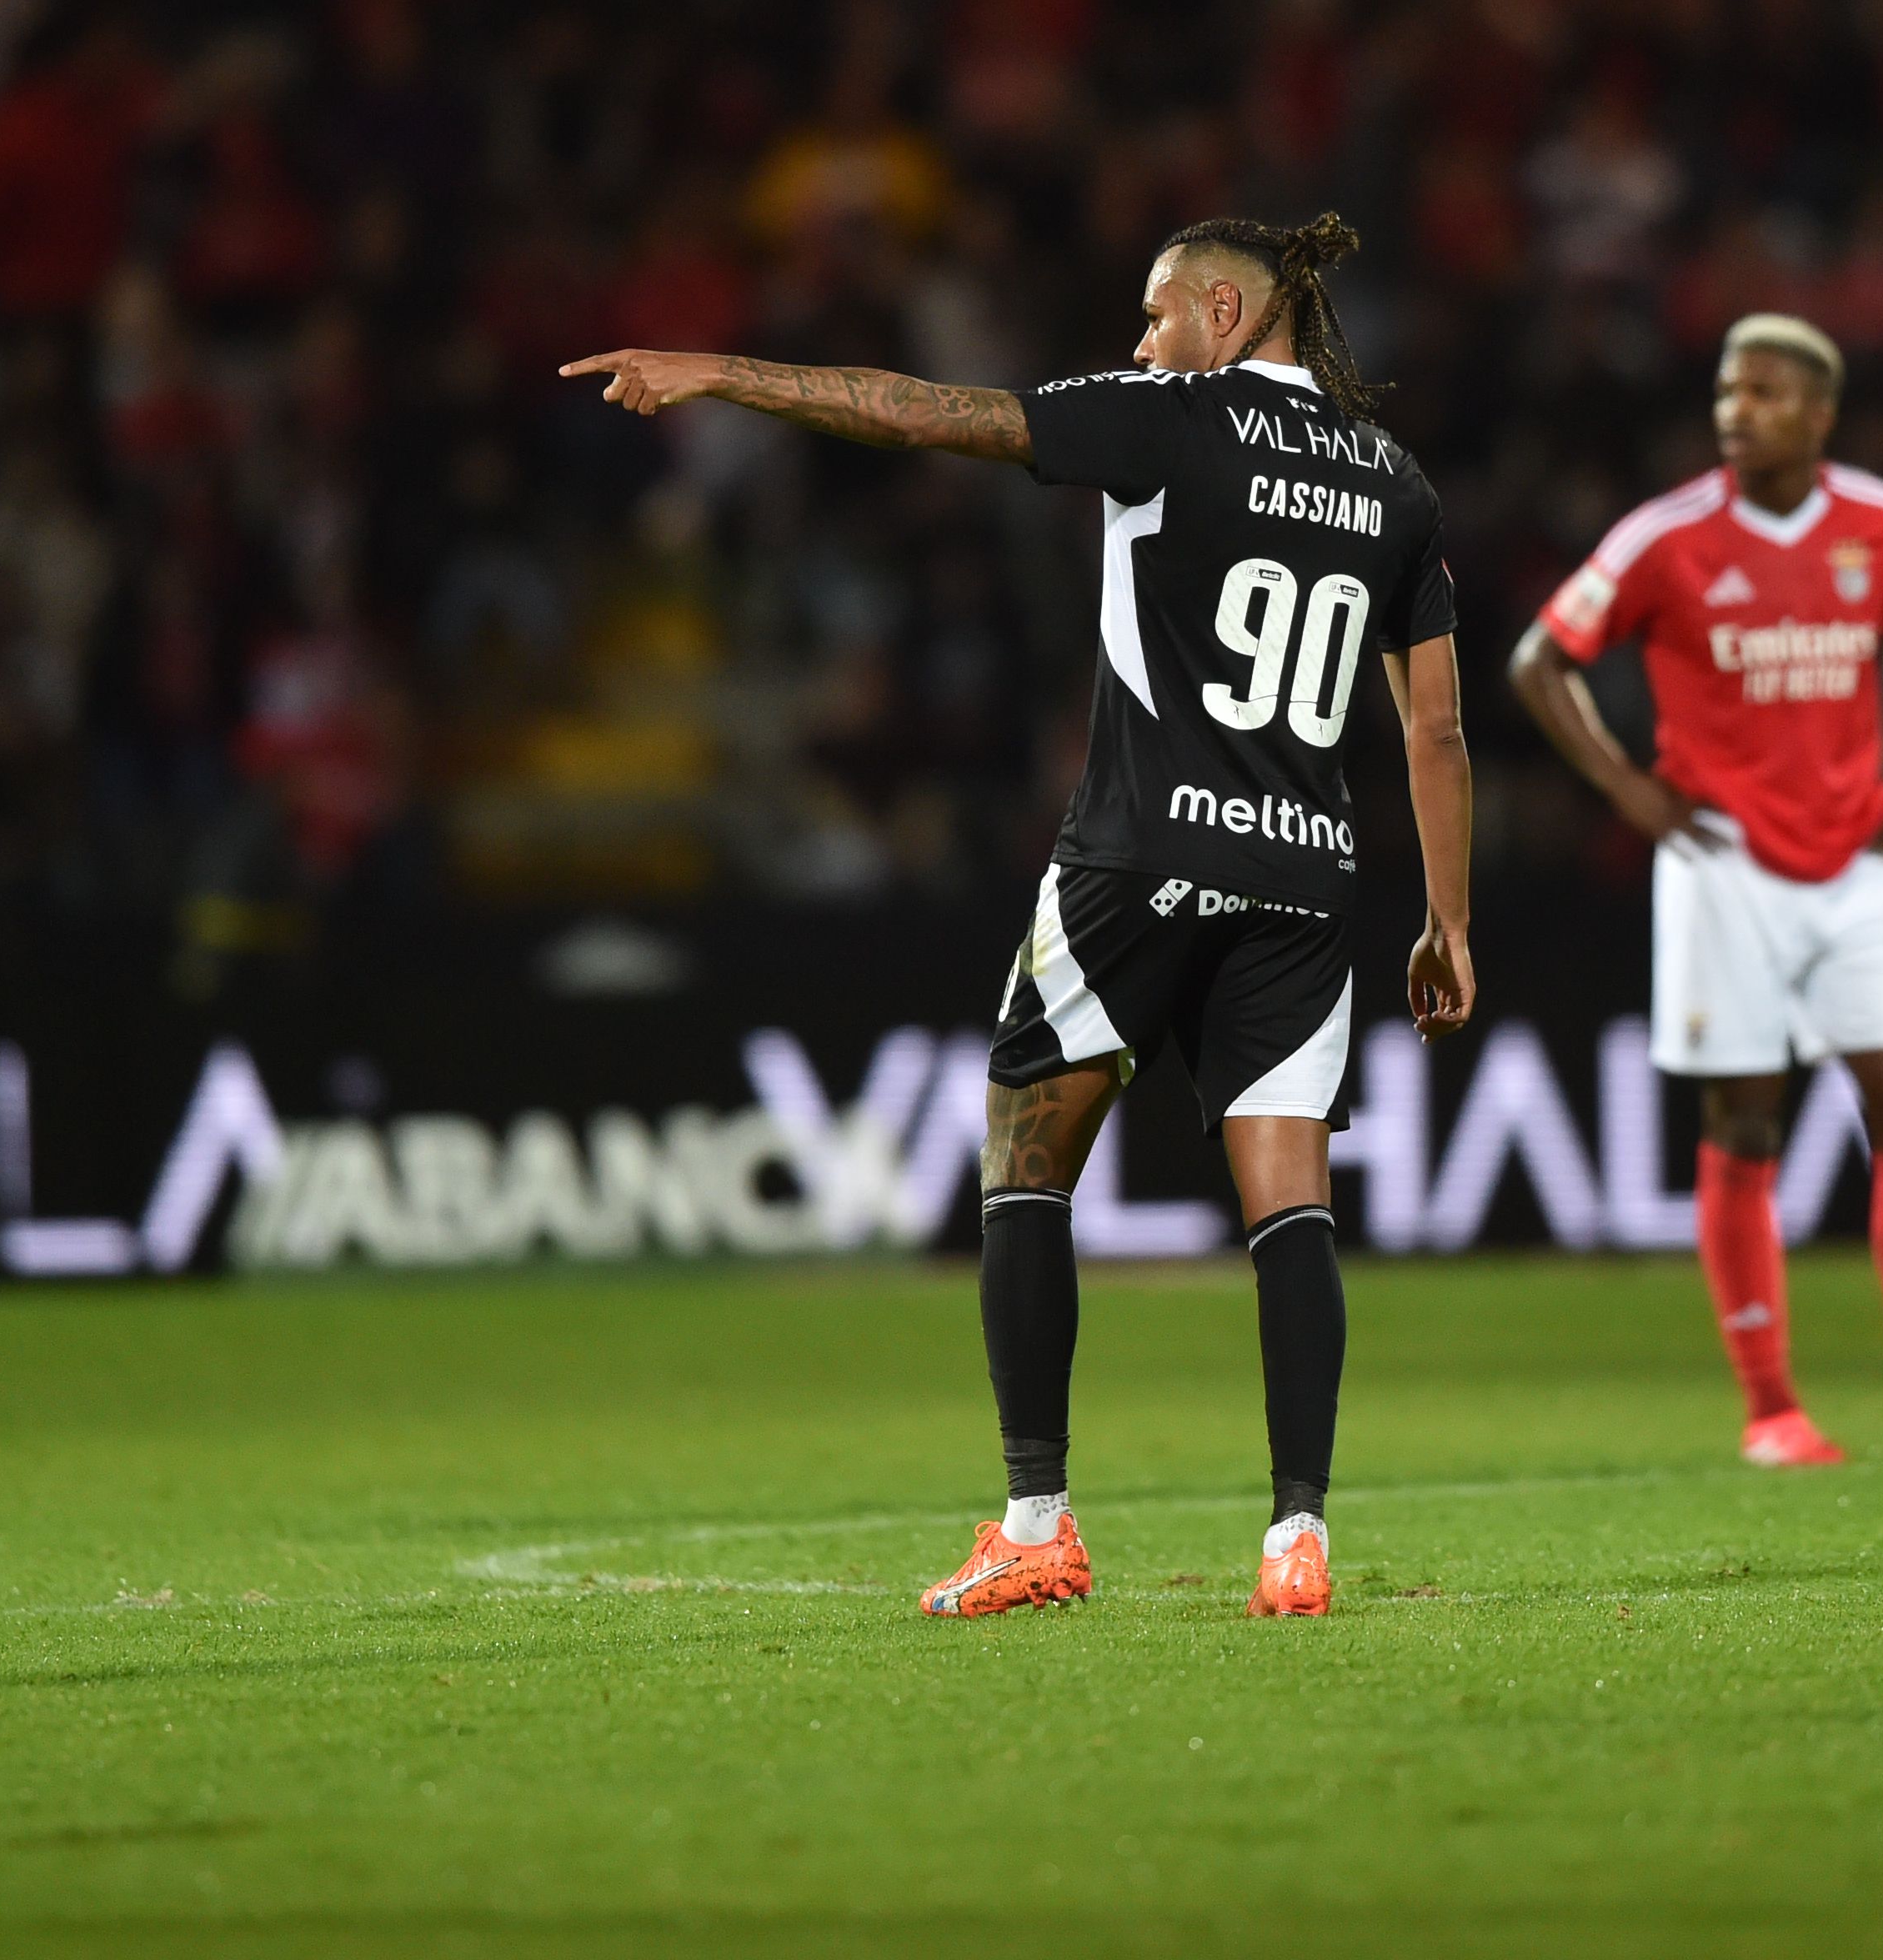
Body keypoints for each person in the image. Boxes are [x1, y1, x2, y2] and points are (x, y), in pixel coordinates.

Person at [568, 212, 1475, 1619]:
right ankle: (1296, 1539)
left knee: (1024, 1159)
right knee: (1290, 1207)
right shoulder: (1395, 483)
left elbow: (928, 416)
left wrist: (722, 371)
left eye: (1154, 314)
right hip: (1306, 877)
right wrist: (1447, 920)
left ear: (1223, 321)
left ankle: (1037, 1522)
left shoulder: (1168, 421)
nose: (1138, 341)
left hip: (1134, 861)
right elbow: (1434, 736)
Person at [1508, 315, 1883, 1466]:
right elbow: (1538, 660)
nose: (1733, 410)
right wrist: (1629, 791)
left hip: (1854, 863)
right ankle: (1770, 1412)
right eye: (1725, 391)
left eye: (1760, 393)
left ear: (1819, 413)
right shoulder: (1668, 537)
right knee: (1745, 1122)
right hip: (1723, 866)